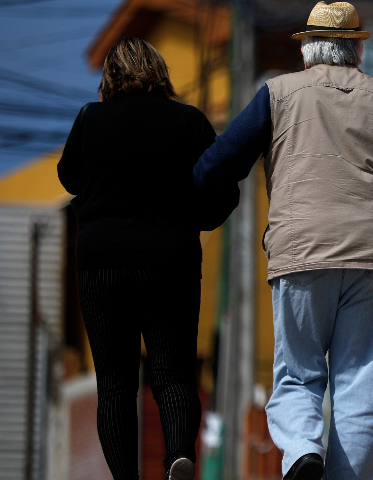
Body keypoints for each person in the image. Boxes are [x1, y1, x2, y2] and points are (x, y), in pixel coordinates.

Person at [193, 1, 373, 480]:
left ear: (307, 52)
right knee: (360, 386)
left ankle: (304, 449)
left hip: (302, 252)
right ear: (357, 54)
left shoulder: (278, 94)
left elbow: (219, 164)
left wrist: (199, 194)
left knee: (299, 373)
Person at [57, 37, 239, 480]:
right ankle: (178, 455)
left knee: (115, 385)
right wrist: (196, 219)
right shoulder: (190, 122)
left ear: (108, 78)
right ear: (162, 73)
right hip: (169, 262)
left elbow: (69, 177)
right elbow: (225, 189)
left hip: (101, 263)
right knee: (173, 374)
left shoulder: (90, 119)